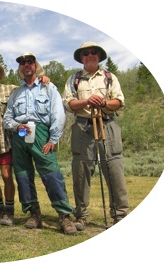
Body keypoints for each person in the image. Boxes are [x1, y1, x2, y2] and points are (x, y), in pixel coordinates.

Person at [3, 52, 77, 235]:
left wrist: (53, 139)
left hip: (41, 133)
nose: (26, 65)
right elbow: (7, 118)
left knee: (51, 173)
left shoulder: (48, 87)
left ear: (35, 66)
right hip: (19, 133)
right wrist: (16, 125)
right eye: (22, 63)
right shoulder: (16, 92)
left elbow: (58, 114)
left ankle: (64, 216)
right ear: (20, 68)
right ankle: (33, 213)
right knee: (23, 175)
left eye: (30, 62)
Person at [62, 41, 129, 230]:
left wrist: (103, 103)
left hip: (107, 124)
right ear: (81, 58)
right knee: (81, 171)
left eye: (93, 52)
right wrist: (86, 101)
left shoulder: (109, 77)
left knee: (114, 169)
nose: (89, 55)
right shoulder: (74, 79)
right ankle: (81, 216)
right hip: (82, 127)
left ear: (99, 56)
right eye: (86, 53)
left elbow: (119, 101)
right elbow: (68, 104)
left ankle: (120, 216)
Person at [0, 59, 51, 226]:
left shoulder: (12, 89)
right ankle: (0, 211)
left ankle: (9, 212)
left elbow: (30, 87)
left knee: (6, 175)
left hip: (9, 140)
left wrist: (43, 78)